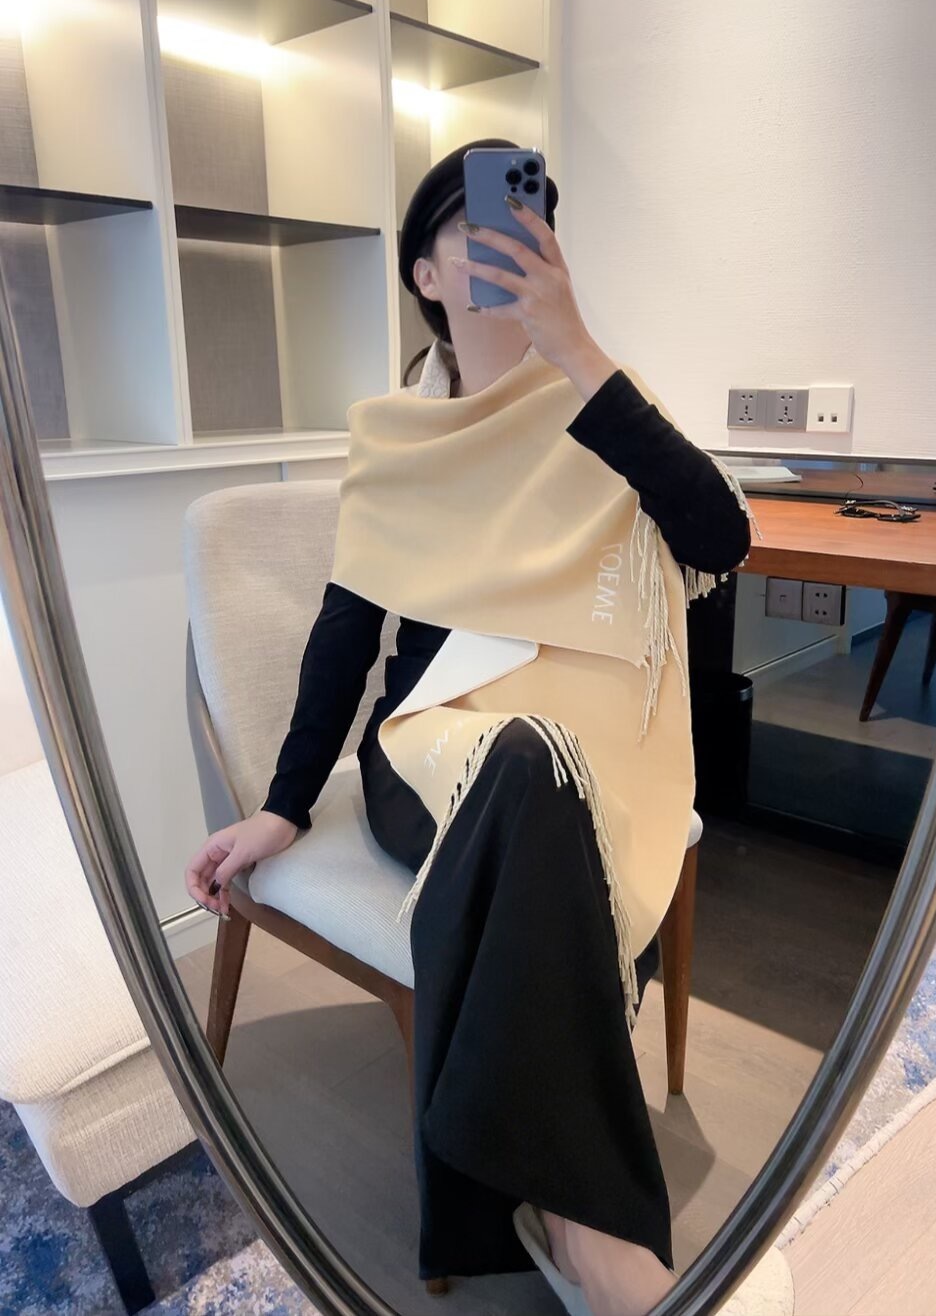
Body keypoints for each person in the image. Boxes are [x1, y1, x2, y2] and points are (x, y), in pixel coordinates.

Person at [185, 139, 757, 1316]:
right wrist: (284, 807)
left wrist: (579, 353)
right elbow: (345, 634)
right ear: (425, 275)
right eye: (479, 232)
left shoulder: (598, 402)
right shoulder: (391, 434)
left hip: (583, 739)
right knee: (524, 759)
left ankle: (546, 1206)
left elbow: (719, 538)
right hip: (429, 746)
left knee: (548, 763)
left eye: (532, 227)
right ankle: (601, 1237)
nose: (513, 247)